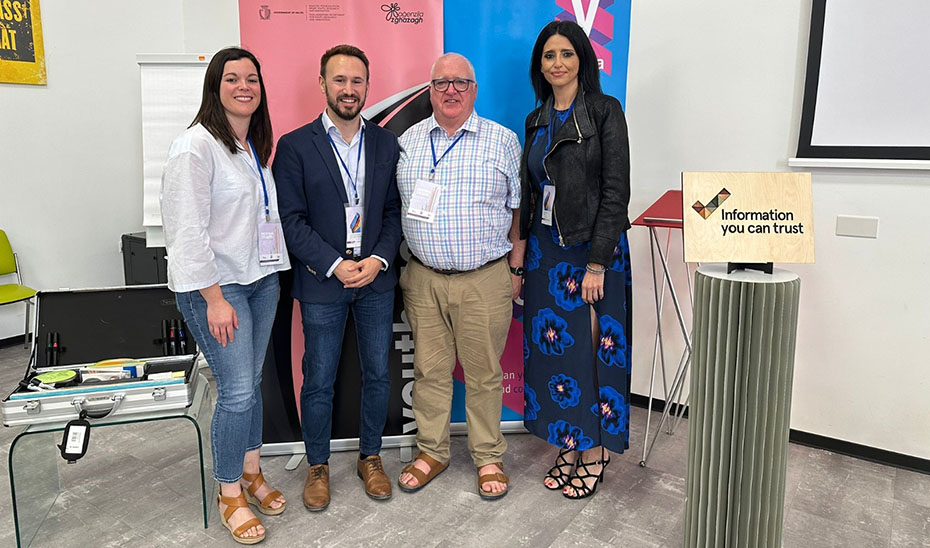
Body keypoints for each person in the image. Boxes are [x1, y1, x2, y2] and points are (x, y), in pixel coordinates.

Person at [161, 47, 290, 544]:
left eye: (252, 78)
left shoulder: (249, 145)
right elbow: (187, 232)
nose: (244, 86)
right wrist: (215, 298)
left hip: (261, 280)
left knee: (251, 384)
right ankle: (229, 491)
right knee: (235, 392)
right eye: (232, 78)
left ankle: (252, 470)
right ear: (214, 87)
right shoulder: (193, 147)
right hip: (218, 289)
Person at [273, 44, 402, 511]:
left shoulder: (387, 143)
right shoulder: (294, 146)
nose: (349, 89)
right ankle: (318, 465)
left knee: (378, 375)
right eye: (340, 80)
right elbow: (291, 221)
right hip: (322, 282)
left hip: (375, 281)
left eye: (357, 81)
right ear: (322, 83)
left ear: (368, 87)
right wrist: (335, 264)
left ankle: (371, 457)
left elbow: (393, 212)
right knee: (319, 378)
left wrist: (378, 261)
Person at [395, 53, 523, 501]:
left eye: (461, 83)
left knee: (485, 373)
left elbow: (518, 210)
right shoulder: (408, 142)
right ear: (430, 90)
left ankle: (488, 455)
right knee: (429, 371)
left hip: (484, 278)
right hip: (423, 278)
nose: (451, 90)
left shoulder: (502, 141)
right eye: (442, 82)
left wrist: (517, 267)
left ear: (474, 89)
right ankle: (432, 451)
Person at [517, 20, 633, 500]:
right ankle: (569, 441)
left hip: (591, 250)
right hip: (546, 252)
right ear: (539, 66)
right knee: (556, 356)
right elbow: (531, 193)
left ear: (583, 58)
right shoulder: (536, 118)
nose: (557, 63)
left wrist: (597, 264)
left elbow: (615, 193)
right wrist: (522, 256)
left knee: (590, 354)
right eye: (549, 55)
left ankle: (594, 450)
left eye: (566, 53)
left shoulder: (605, 112)